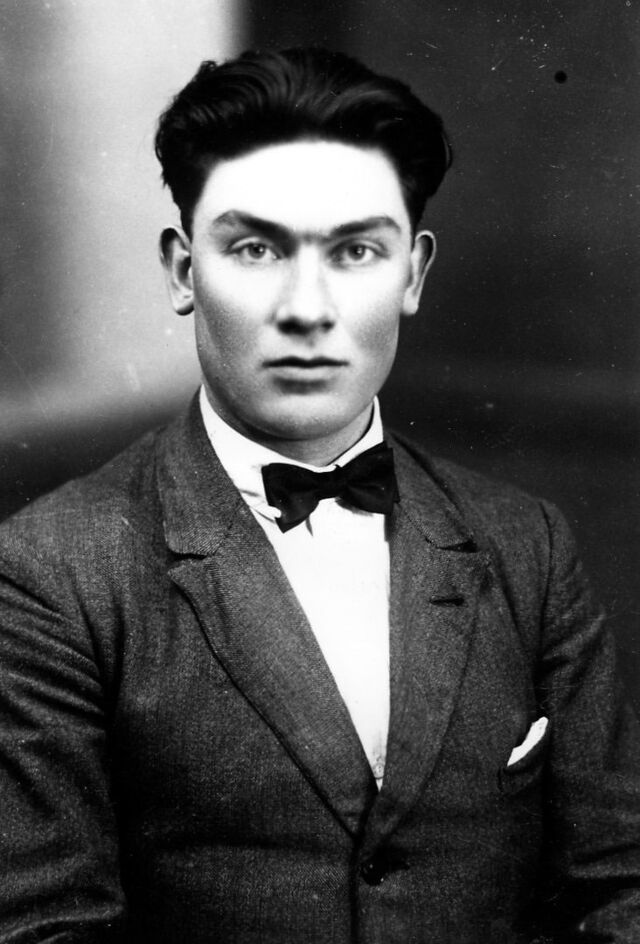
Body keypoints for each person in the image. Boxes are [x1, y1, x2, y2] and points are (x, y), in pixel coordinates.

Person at [0, 47, 638, 944]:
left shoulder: (525, 543)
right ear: (183, 272)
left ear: (412, 275)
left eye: (355, 251)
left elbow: (620, 884)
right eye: (256, 248)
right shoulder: (53, 570)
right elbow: (47, 929)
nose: (307, 307)